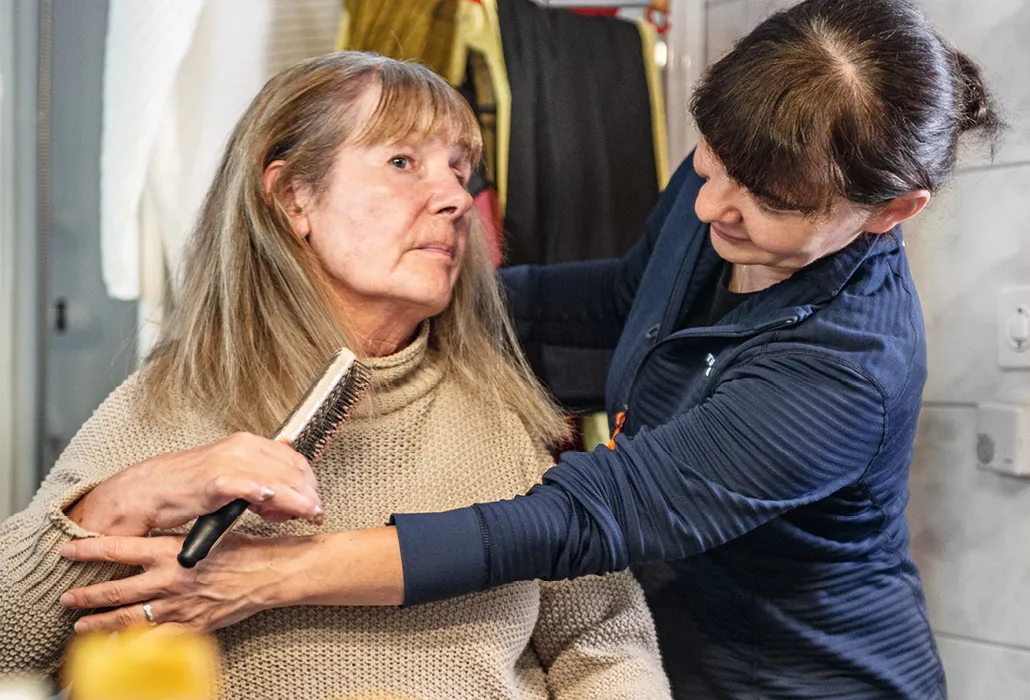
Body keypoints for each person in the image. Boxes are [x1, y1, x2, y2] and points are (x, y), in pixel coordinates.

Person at [28, 0, 1002, 697]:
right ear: (292, 199)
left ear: (891, 213)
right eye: (710, 157)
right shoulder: (186, 393)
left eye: (767, 204)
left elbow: (586, 536)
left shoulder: (844, 372)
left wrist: (270, 572)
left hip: (796, 676)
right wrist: (453, 305)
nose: (709, 208)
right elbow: (626, 296)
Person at [0, 52, 672, 700]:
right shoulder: (177, 402)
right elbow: (9, 645)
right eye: (404, 162)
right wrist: (120, 499)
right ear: (294, 198)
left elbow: (602, 637)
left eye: (460, 169)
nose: (455, 198)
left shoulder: (501, 412)